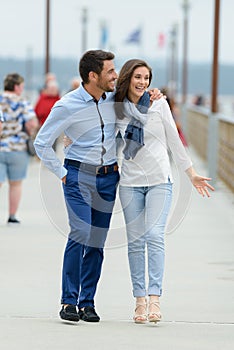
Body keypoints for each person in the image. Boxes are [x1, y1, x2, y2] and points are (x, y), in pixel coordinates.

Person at [34, 50, 163, 323]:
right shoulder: (66, 105)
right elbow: (41, 143)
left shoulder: (113, 100)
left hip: (108, 178)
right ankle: (68, 301)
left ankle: (87, 302)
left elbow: (134, 114)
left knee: (96, 243)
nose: (116, 76)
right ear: (93, 76)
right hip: (78, 175)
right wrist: (62, 172)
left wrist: (153, 96)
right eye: (110, 71)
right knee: (80, 232)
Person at [114, 59, 214, 324]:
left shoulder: (158, 104)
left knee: (155, 235)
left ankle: (155, 297)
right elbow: (98, 134)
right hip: (129, 183)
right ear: (127, 79)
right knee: (135, 242)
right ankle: (139, 300)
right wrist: (70, 138)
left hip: (160, 180)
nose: (143, 83)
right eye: (137, 77)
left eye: (146, 78)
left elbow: (174, 138)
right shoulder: (116, 108)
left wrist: (190, 173)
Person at [0, 73, 38, 224]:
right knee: (15, 184)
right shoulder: (23, 102)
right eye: (21, 86)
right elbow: (31, 123)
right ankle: (12, 216)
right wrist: (29, 132)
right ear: (16, 86)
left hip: (0, 147)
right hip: (18, 148)